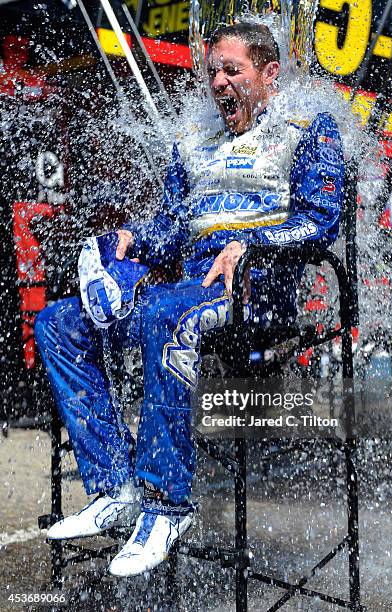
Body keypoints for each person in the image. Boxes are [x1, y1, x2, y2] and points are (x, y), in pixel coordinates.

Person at [35, 22, 344, 577]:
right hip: (184, 295)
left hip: (257, 298)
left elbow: (322, 223)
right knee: (59, 323)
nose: (219, 82)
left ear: (269, 74)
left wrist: (249, 244)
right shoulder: (194, 142)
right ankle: (115, 488)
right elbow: (174, 228)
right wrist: (131, 239)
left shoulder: (308, 128)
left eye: (233, 70)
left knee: (162, 311)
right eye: (213, 72)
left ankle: (166, 504)